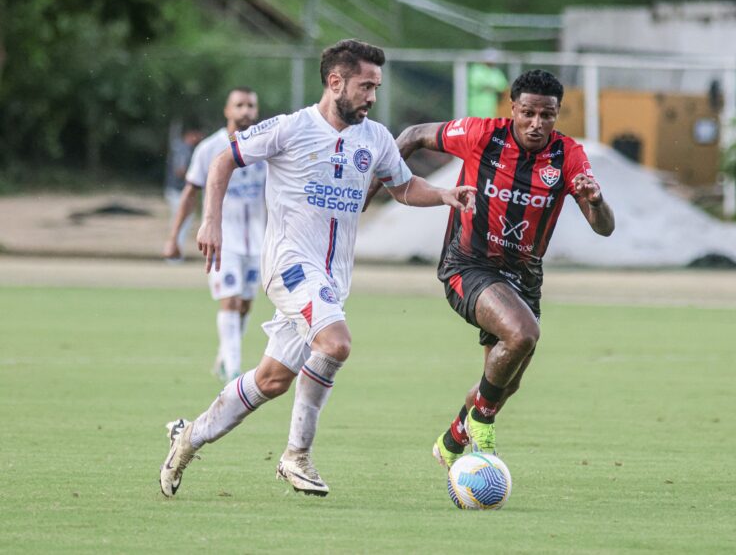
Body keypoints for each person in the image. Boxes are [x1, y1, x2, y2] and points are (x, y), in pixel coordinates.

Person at [159, 39, 476, 499]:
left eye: (377, 87)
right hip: (289, 265)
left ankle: (188, 438)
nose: (372, 96)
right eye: (365, 86)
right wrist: (210, 220)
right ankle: (295, 456)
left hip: (332, 280)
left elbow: (404, 187)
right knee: (336, 342)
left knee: (271, 380)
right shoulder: (290, 128)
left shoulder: (376, 138)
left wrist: (445, 195)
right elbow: (225, 157)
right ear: (335, 82)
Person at [393, 69, 615, 468]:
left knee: (505, 382)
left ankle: (453, 438)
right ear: (512, 108)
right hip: (468, 265)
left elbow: (604, 229)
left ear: (557, 113)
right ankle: (481, 423)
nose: (536, 124)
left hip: (524, 277)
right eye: (527, 113)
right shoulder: (482, 134)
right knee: (523, 333)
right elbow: (412, 135)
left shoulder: (568, 156)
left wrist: (595, 201)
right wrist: (374, 185)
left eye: (546, 115)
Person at [162, 87, 267, 383]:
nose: (246, 110)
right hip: (224, 239)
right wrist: (174, 237)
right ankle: (233, 369)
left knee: (245, 304)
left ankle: (224, 357)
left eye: (250, 105)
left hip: (257, 240)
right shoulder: (209, 148)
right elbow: (189, 193)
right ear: (227, 110)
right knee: (230, 300)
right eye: (240, 105)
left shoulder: (265, 148)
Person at [164, 124, 203, 259]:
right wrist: (196, 177)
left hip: (175, 189)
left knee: (181, 222)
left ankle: (174, 251)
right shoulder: (184, 148)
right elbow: (180, 170)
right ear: (191, 134)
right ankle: (173, 253)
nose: (199, 138)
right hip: (178, 191)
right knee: (181, 222)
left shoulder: (179, 147)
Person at [467, 48, 509, 118]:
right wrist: (493, 88)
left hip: (491, 109)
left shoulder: (496, 72)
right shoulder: (476, 69)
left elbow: (503, 88)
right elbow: (477, 84)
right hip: (475, 108)